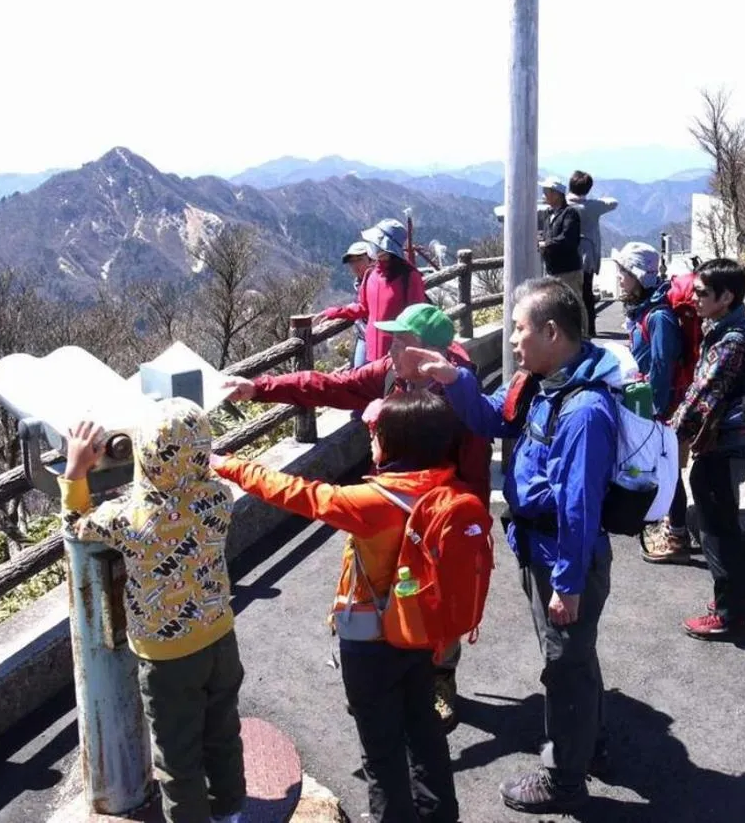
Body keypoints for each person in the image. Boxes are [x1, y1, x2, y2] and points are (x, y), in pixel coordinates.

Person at [220, 301, 490, 729]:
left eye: (401, 340)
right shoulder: (388, 373)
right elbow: (328, 385)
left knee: (435, 595)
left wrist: (468, 529)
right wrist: (260, 387)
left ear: (428, 352)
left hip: (436, 514)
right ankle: (381, 675)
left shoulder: (461, 395)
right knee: (380, 588)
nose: (390, 347)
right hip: (387, 506)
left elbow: (475, 469)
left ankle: (438, 676)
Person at [406, 278, 618, 815]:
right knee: (573, 658)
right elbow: (486, 418)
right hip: (541, 547)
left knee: (563, 665)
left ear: (551, 331)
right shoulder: (537, 382)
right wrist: (451, 377)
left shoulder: (584, 410)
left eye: (521, 329)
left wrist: (567, 585)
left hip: (562, 557)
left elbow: (580, 508)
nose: (515, 341)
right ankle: (585, 741)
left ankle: (564, 780)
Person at [212, 390, 463, 823]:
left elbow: (297, 493)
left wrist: (230, 465)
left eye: (377, 434)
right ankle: (439, 814)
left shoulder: (375, 504)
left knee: (381, 751)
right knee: (422, 730)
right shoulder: (444, 487)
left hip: (373, 642)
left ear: (396, 443)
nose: (371, 441)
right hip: (423, 631)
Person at [60, 399, 245, 823]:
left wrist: (76, 469)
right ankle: (231, 812)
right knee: (222, 734)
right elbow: (186, 490)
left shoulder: (129, 518)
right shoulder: (219, 497)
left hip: (167, 657)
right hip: (219, 637)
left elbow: (75, 524)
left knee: (177, 757)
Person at [673, 259, 745, 641]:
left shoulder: (733, 341)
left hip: (722, 446)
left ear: (725, 297)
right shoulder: (729, 328)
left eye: (701, 293)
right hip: (728, 444)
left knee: (715, 532)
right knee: (726, 524)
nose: (693, 298)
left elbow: (700, 398)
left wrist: (670, 434)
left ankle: (729, 614)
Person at [610, 241, 693, 564]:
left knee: (668, 468)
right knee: (661, 467)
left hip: (661, 409)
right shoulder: (647, 311)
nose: (618, 278)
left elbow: (662, 366)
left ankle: (678, 535)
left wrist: (655, 414)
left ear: (639, 277)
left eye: (624, 273)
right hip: (652, 405)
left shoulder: (658, 317)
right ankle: (666, 525)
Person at [322, 219, 427, 365]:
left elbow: (417, 319)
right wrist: (334, 312)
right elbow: (363, 308)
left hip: (397, 355)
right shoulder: (371, 274)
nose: (372, 245)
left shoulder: (409, 277)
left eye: (375, 242)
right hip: (371, 352)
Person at [566, 170, 618, 336]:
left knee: (569, 292)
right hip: (588, 256)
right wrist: (597, 199)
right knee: (587, 292)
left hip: (569, 255)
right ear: (587, 189)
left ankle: (573, 329)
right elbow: (613, 203)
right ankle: (590, 329)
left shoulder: (565, 205)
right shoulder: (593, 207)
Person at [537, 177, 587, 337]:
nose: (544, 194)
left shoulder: (570, 213)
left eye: (547, 191)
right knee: (558, 307)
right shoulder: (549, 215)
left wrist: (547, 244)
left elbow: (569, 239)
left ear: (557, 194)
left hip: (568, 270)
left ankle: (583, 337)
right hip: (553, 269)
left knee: (575, 304)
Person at [339, 240, 377, 368]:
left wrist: (336, 312)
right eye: (352, 262)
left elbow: (366, 309)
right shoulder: (360, 282)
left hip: (376, 337)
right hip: (364, 335)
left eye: (359, 259)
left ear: (371, 259)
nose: (355, 265)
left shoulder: (377, 281)